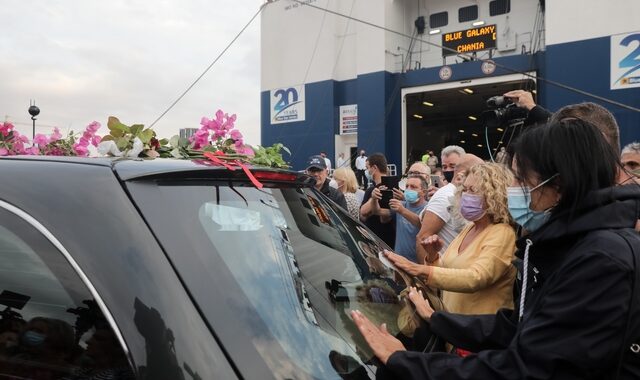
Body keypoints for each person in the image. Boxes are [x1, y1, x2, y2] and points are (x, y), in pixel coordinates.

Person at [351, 118, 640, 379]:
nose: (512, 187)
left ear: (559, 185)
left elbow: (527, 368)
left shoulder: (599, 260)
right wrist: (437, 319)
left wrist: (405, 362)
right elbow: (517, 327)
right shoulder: (565, 244)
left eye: (521, 179)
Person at [386, 162, 517, 317]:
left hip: (480, 332)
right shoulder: (470, 228)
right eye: (465, 189)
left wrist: (417, 269)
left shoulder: (503, 233)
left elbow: (477, 277)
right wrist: (433, 256)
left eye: (473, 191)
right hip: (455, 328)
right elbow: (448, 268)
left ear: (494, 195)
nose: (466, 195)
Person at [414, 147, 481, 264]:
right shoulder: (446, 195)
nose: (482, 178)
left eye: (452, 165)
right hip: (441, 273)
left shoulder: (462, 194)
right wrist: (425, 276)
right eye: (479, 172)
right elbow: (422, 237)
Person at [376, 175, 429, 263]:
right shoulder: (402, 204)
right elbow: (378, 212)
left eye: (413, 187)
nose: (408, 189)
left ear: (423, 192)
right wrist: (376, 197)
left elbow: (423, 225)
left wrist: (402, 211)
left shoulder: (428, 208)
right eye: (407, 186)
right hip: (398, 261)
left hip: (417, 264)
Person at [360, 153, 396, 248]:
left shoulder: (392, 189)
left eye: (367, 167)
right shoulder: (371, 190)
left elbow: (385, 217)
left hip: (385, 240)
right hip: (373, 238)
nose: (366, 171)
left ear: (374, 167)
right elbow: (362, 214)